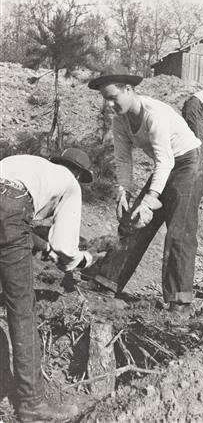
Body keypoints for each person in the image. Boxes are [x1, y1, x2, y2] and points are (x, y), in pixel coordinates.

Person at [88, 67, 203, 317]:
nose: (109, 104)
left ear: (128, 90)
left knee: (179, 231)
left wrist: (150, 199)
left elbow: (165, 162)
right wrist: (124, 190)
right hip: (168, 166)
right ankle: (108, 282)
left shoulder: (154, 114)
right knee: (133, 221)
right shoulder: (120, 120)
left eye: (113, 97)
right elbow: (123, 159)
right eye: (105, 99)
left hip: (188, 164)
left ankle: (179, 302)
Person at [0, 148, 97, 422]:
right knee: (22, 310)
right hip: (12, 209)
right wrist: (83, 260)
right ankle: (31, 404)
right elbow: (65, 248)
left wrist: (42, 246)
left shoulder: (23, 163)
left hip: (8, 205)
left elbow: (9, 221)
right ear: (78, 173)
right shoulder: (71, 184)